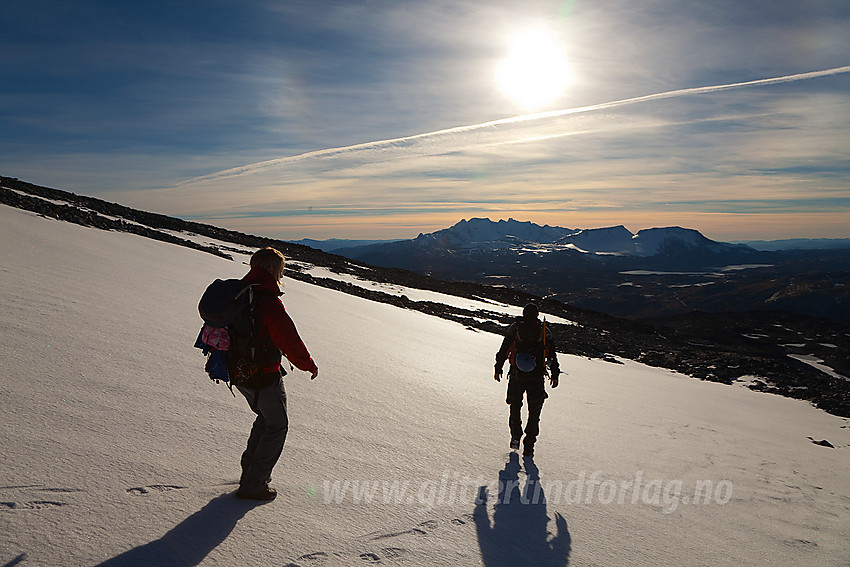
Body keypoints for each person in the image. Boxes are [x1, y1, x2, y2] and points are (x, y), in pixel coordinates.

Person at [234, 247, 318, 500]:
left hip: (238, 372)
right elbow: (289, 339)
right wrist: (308, 364)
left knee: (265, 419)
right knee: (277, 425)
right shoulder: (267, 301)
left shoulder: (239, 293)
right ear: (274, 269)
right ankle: (253, 484)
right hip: (263, 374)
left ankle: (250, 474)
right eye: (281, 268)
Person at [494, 303, 560, 457]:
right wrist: (555, 374)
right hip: (536, 378)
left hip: (517, 376)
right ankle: (529, 445)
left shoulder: (515, 328)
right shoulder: (544, 331)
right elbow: (552, 355)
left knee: (515, 406)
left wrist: (498, 367)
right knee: (534, 412)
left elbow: (504, 349)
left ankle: (515, 436)